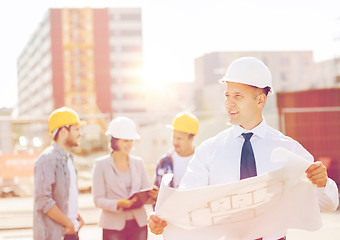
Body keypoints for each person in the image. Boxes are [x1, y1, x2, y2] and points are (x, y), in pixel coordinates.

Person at [147, 57, 339, 239]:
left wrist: (322, 184)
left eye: (238, 96)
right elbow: (188, 201)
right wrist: (163, 220)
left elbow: (329, 204)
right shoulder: (209, 151)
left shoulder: (288, 149)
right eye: (227, 95)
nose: (229, 103)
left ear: (260, 100)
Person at [92, 116, 158, 240]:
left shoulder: (138, 163)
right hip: (113, 225)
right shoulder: (101, 165)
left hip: (138, 223)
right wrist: (119, 204)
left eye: (131, 140)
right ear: (115, 141)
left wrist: (153, 196)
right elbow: (98, 200)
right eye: (125, 141)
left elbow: (144, 194)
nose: (130, 145)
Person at [33, 107, 85, 240]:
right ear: (63, 131)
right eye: (77, 129)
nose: (80, 133)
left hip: (70, 231)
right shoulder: (48, 159)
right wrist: (68, 222)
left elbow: (63, 197)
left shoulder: (68, 158)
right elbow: (43, 200)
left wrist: (76, 216)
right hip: (56, 234)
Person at [154, 112, 199, 188]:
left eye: (179, 138)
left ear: (191, 138)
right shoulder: (163, 162)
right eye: (173, 137)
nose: (175, 142)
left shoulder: (201, 160)